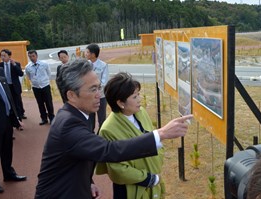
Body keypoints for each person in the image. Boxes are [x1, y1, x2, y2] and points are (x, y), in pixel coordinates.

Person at [35, 59, 192, 199]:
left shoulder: (83, 115)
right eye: (93, 89)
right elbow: (109, 150)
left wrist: (88, 182)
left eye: (99, 87)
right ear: (71, 95)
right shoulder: (68, 125)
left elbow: (81, 155)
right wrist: (161, 134)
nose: (99, 94)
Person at [96, 72, 165, 199]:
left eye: (138, 94)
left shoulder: (141, 112)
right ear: (120, 103)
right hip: (129, 188)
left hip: (152, 177)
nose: (139, 99)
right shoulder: (108, 129)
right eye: (134, 97)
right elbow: (117, 169)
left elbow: (152, 136)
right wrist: (150, 178)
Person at [0, 55, 26, 194]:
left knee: (7, 150)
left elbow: (9, 101)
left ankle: (8, 174)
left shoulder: (1, 79)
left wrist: (16, 120)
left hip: (6, 122)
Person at [25, 50, 55, 125]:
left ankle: (52, 117)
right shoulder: (28, 67)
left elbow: (49, 73)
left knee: (48, 102)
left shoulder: (44, 64)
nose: (32, 58)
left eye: (33, 56)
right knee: (40, 103)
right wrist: (34, 82)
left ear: (36, 56)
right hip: (36, 87)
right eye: (30, 57)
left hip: (45, 86)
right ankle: (44, 118)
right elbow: (29, 76)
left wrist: (45, 81)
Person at [0, 49, 26, 121]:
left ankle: (20, 118)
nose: (3, 57)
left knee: (17, 102)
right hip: (6, 86)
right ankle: (13, 118)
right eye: (1, 56)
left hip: (14, 86)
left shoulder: (15, 64)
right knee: (9, 102)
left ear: (9, 56)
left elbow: (21, 74)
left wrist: (15, 65)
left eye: (4, 56)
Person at [85, 43, 109, 129]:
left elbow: (104, 81)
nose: (85, 54)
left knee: (101, 117)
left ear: (93, 54)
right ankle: (90, 133)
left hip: (100, 96)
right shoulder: (85, 65)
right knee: (90, 117)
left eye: (87, 52)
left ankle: (102, 134)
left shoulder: (103, 65)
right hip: (89, 96)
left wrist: (95, 89)